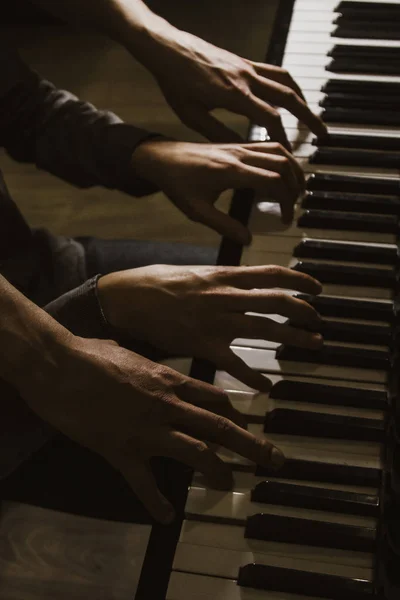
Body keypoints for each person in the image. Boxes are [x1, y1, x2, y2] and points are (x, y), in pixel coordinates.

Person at [0, 0, 325, 524]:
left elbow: (18, 107)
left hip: (43, 274)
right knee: (298, 466)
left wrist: (147, 146)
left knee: (328, 318)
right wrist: (65, 336)